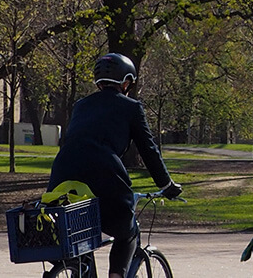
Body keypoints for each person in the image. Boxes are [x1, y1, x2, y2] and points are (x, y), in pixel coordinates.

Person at [46, 53, 181, 278]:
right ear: (126, 82)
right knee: (126, 231)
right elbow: (149, 151)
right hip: (104, 175)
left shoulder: (81, 105)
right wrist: (166, 184)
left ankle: (80, 269)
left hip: (63, 176)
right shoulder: (131, 108)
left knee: (81, 233)